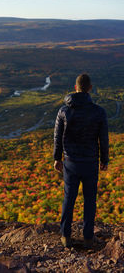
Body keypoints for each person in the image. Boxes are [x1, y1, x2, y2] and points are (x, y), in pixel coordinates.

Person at [53, 73, 109, 248]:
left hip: (70, 162)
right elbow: (103, 139)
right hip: (90, 162)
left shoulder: (64, 111)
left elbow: (57, 137)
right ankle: (87, 238)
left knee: (69, 198)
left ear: (75, 87)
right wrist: (104, 160)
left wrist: (57, 158)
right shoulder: (99, 112)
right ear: (90, 88)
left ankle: (65, 236)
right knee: (90, 200)